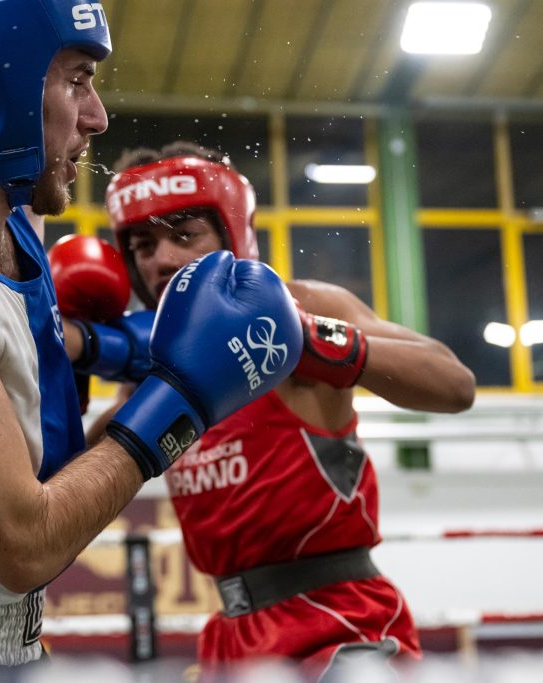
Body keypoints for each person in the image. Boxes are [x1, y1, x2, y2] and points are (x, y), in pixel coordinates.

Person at [0, 4, 304, 680]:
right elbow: (24, 545)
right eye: (76, 79)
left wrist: (119, 356)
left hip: (11, 647)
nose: (96, 116)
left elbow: (42, 481)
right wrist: (181, 400)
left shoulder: (15, 243)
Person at [78, 142, 477, 680]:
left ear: (233, 235)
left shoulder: (302, 306)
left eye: (185, 234)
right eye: (144, 245)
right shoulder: (159, 367)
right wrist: (71, 361)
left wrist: (303, 339)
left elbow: (455, 383)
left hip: (338, 625)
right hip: (231, 636)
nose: (163, 260)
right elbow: (67, 474)